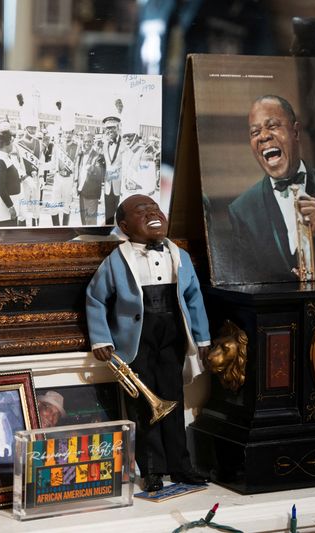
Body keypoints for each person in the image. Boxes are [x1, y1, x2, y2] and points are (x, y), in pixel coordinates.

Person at [86, 194, 211, 492]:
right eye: (141, 210)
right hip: (137, 340)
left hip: (172, 335)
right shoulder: (117, 260)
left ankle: (181, 466)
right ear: (125, 225)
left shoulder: (177, 254)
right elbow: (95, 299)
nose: (152, 213)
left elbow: (194, 297)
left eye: (155, 208)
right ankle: (152, 469)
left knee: (174, 400)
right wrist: (101, 338)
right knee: (144, 406)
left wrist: (202, 336)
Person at [228, 95, 315, 282]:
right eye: (255, 132)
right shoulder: (242, 211)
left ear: (296, 132)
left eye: (273, 126)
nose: (263, 136)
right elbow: (245, 279)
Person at [0, 128, 21, 227]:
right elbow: (0, 187)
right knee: (6, 237)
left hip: (8, 205)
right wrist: (10, 207)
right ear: (7, 143)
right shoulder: (0, 159)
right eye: (11, 142)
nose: (12, 145)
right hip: (4, 208)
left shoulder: (5, 156)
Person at [51, 126, 79, 226]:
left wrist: (75, 181)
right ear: (62, 133)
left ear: (73, 133)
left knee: (67, 205)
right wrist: (54, 171)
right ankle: (56, 228)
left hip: (69, 178)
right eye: (66, 133)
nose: (67, 135)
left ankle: (65, 227)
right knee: (54, 204)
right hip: (58, 177)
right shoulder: (57, 145)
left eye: (70, 133)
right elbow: (54, 160)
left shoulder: (77, 146)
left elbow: (76, 164)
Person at [76, 133, 106, 225]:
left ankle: (91, 239)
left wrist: (92, 168)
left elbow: (100, 173)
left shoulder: (99, 156)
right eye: (85, 141)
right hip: (82, 192)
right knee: (83, 220)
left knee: (91, 222)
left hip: (92, 193)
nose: (87, 143)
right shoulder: (81, 155)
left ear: (93, 142)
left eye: (89, 141)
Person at [101, 116, 124, 225]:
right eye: (108, 128)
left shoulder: (124, 144)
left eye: (112, 127)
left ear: (117, 128)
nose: (110, 130)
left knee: (120, 216)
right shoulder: (105, 145)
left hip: (119, 185)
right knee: (108, 215)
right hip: (108, 185)